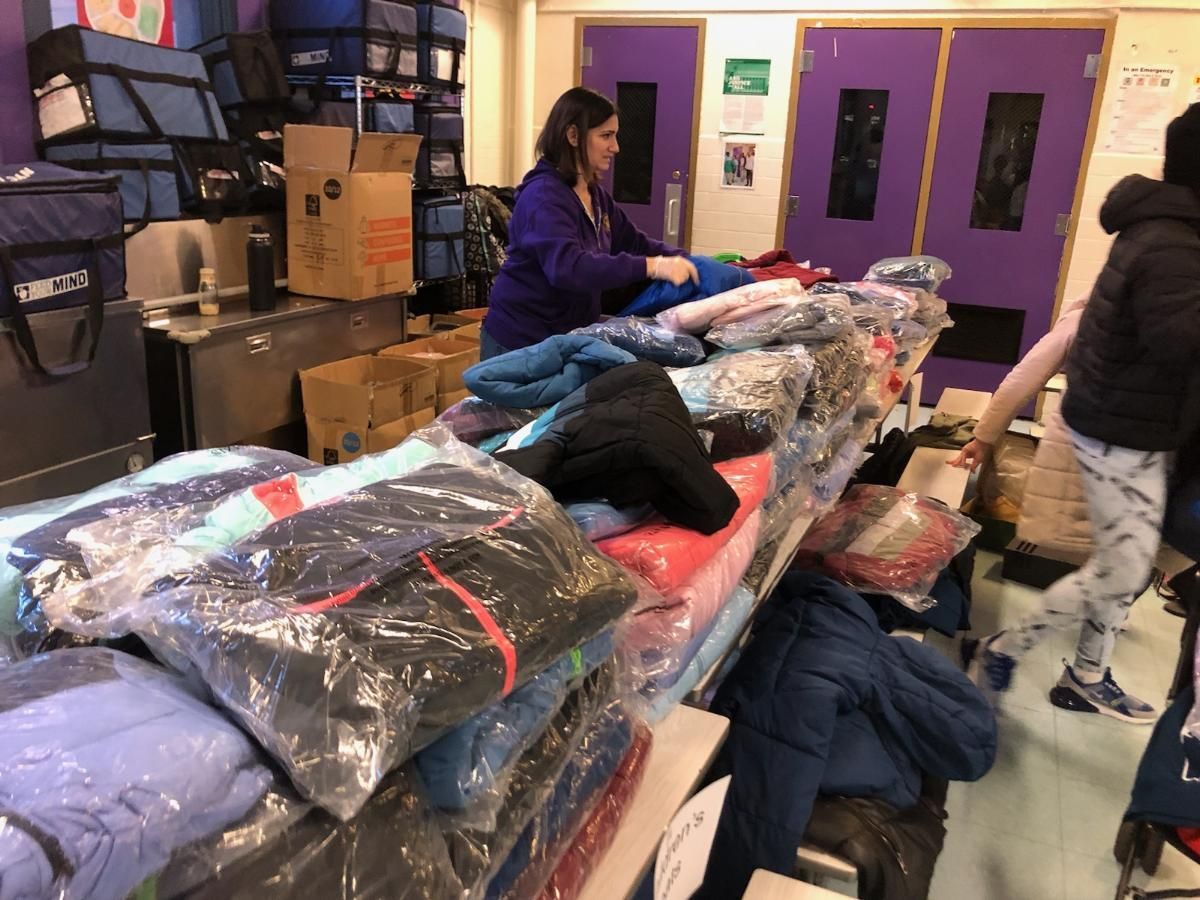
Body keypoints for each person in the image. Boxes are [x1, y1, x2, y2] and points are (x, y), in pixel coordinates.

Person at [964, 103, 1200, 723]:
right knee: (1122, 566)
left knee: (1135, 560)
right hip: (1123, 431)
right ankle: (1003, 650)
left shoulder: (1164, 229)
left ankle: (1088, 673)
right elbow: (1182, 340)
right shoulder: (1173, 243)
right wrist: (985, 437)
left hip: (1142, 426)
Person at [483, 87, 697, 358]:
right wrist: (653, 266)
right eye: (605, 136)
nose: (615, 147)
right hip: (521, 342)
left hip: (564, 338)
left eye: (615, 135)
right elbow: (568, 267)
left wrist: (688, 261)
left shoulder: (595, 196)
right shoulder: (544, 197)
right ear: (573, 135)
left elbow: (634, 243)